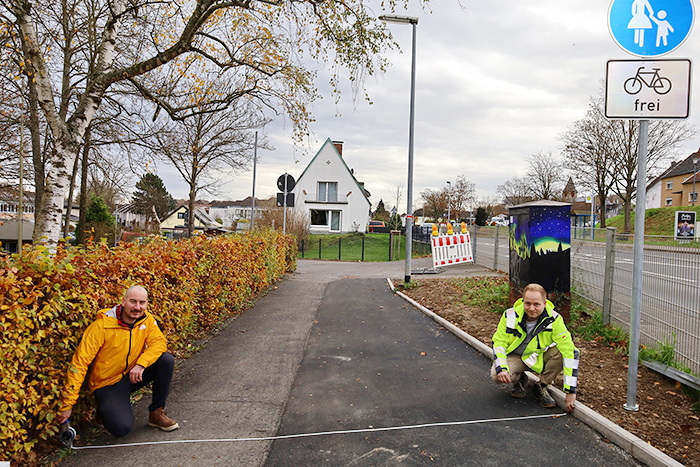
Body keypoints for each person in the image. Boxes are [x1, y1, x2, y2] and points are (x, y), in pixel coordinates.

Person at [57, 285, 178, 437]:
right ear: (123, 301)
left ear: (147, 303)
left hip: (132, 375)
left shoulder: (147, 320)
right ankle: (106, 409)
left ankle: (156, 412)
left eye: (142, 303)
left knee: (165, 360)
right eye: (133, 302)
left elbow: (159, 343)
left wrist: (141, 364)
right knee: (121, 429)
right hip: (107, 384)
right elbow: (79, 364)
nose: (137, 307)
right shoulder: (101, 327)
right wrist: (67, 403)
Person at [491, 283, 579, 412]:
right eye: (528, 303)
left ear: (544, 303)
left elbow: (570, 351)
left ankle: (542, 386)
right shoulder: (510, 315)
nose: (531, 308)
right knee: (496, 375)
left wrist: (570, 390)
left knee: (562, 351)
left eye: (536, 304)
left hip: (538, 357)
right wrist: (502, 368)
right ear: (522, 302)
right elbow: (498, 342)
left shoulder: (554, 320)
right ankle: (519, 379)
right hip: (516, 357)